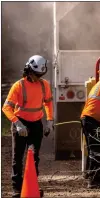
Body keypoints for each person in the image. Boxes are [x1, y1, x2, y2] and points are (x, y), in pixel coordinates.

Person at [2, 55, 54, 197]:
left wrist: (49, 121)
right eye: (36, 74)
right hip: (20, 123)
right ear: (28, 70)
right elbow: (6, 108)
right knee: (17, 157)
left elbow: (48, 103)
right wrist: (17, 123)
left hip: (36, 124)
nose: (38, 77)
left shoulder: (45, 85)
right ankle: (17, 189)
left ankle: (32, 185)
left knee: (34, 156)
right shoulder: (18, 86)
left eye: (40, 75)